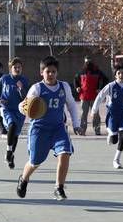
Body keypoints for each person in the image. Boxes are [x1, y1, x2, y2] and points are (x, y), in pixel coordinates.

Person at [16, 56, 82, 200]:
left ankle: (59, 187)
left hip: (58, 128)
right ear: (42, 73)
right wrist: (25, 108)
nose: (51, 74)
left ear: (57, 72)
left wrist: (76, 124)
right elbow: (23, 106)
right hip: (39, 129)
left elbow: (71, 105)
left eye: (53, 71)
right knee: (35, 161)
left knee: (65, 153)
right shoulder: (37, 88)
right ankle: (24, 179)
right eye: (48, 72)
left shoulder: (64, 87)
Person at [90, 65, 123, 169]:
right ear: (115, 75)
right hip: (112, 115)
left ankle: (116, 160)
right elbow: (100, 96)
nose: (121, 75)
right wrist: (94, 110)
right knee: (114, 140)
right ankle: (110, 135)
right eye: (118, 73)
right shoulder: (110, 86)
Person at [0, 57, 29, 169]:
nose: (17, 69)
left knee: (16, 135)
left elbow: (27, 97)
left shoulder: (24, 80)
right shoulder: (4, 79)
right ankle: (9, 151)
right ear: (10, 68)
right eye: (15, 67)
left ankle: (11, 155)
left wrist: (21, 89)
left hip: (20, 110)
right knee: (12, 125)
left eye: (19, 67)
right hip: (7, 108)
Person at [74, 55, 108, 135]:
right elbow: (75, 79)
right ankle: (82, 130)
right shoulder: (81, 71)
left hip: (94, 97)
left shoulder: (97, 71)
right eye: (87, 62)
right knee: (83, 114)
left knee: (96, 114)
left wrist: (100, 88)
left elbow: (105, 79)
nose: (88, 63)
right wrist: (77, 87)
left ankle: (97, 130)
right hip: (84, 97)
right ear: (85, 62)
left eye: (89, 61)